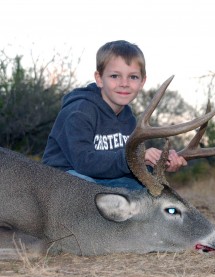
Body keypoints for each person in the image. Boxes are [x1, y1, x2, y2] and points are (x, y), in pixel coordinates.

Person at [42, 40, 187, 190]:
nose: (124, 83)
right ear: (99, 79)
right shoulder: (79, 110)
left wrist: (158, 163)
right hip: (61, 181)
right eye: (114, 76)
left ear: (142, 81)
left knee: (144, 191)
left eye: (133, 77)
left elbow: (123, 167)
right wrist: (137, 157)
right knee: (96, 191)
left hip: (101, 181)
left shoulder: (129, 119)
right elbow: (84, 162)